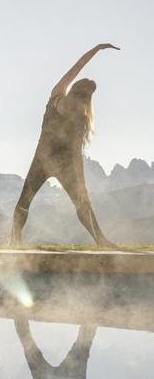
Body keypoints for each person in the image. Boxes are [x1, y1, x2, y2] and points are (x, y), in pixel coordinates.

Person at [11, 43, 120, 247]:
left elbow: (76, 67)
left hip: (41, 161)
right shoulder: (80, 118)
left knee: (24, 201)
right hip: (64, 165)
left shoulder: (56, 96)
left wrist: (97, 49)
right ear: (88, 99)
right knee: (81, 202)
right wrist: (82, 185)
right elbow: (75, 154)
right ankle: (100, 240)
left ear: (74, 88)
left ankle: (14, 240)